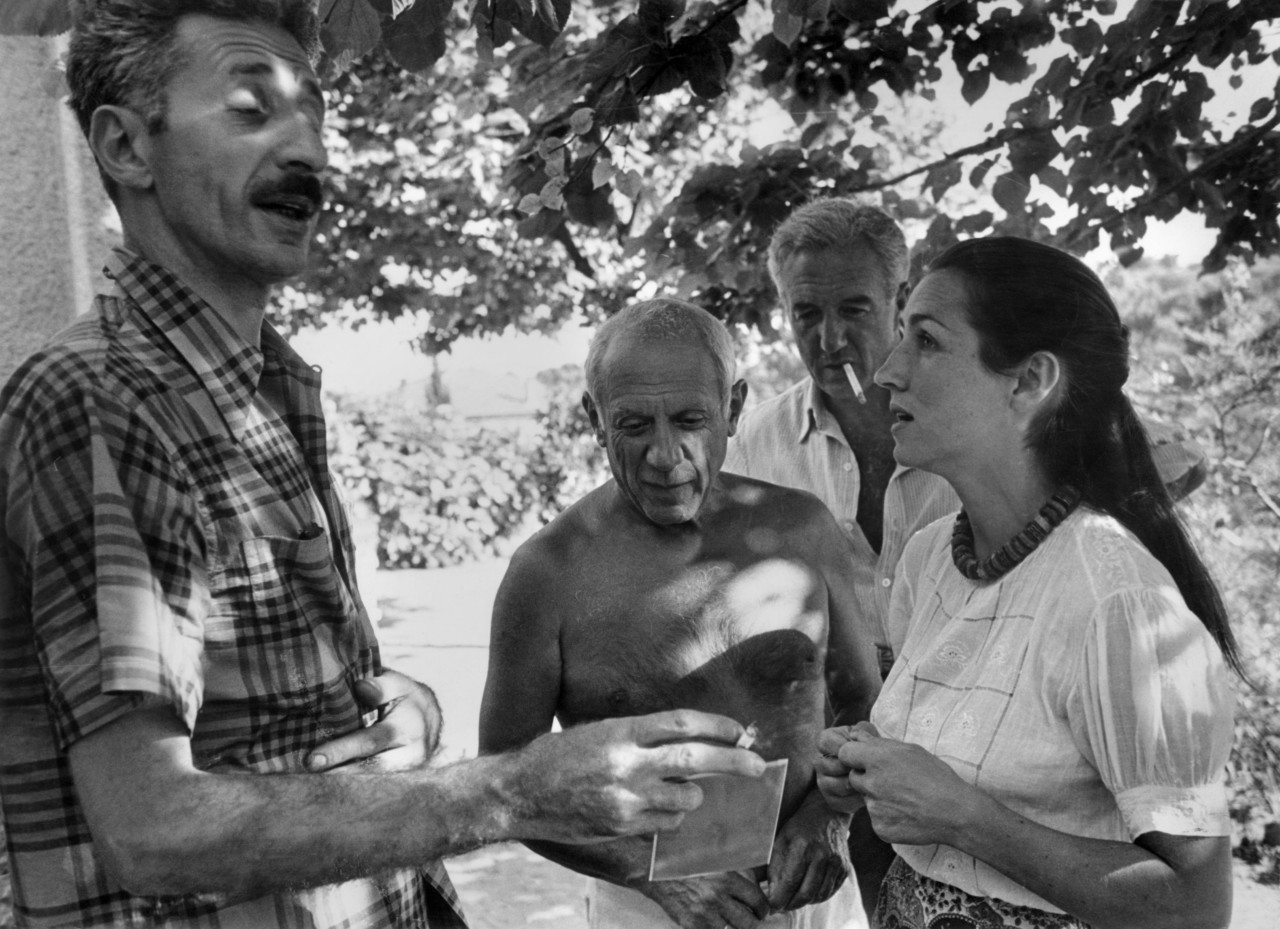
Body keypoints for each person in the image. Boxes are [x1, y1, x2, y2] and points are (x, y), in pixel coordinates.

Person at [0, 4, 765, 928]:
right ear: (126, 147)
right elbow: (153, 826)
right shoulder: (101, 399)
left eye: (314, 114)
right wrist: (512, 790)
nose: (309, 151)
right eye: (251, 110)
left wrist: (400, 716)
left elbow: (271, 725)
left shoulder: (264, 391)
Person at [816, 236, 1239, 929]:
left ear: (1028, 380)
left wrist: (962, 815)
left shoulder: (1121, 606)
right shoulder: (929, 559)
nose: (888, 371)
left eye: (927, 341)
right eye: (901, 336)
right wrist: (871, 767)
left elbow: (1197, 907)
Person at [479, 297, 882, 929]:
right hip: (646, 907)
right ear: (595, 420)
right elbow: (503, 785)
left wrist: (825, 817)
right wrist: (653, 873)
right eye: (634, 425)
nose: (666, 456)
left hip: (812, 896)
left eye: (691, 420)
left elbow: (864, 703)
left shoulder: (801, 529)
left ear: (734, 409)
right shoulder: (548, 574)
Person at [724, 200, 1208, 678]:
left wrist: (1094, 545)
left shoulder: (981, 413)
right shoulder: (755, 442)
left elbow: (1177, 459)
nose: (830, 339)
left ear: (901, 298)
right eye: (806, 314)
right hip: (845, 702)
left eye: (854, 309)